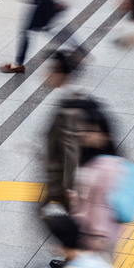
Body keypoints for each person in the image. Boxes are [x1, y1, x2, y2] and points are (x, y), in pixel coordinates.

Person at [46, 99, 118, 268]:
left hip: (96, 236)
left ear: (105, 134)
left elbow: (104, 204)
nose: (85, 134)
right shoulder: (90, 155)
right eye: (84, 129)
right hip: (85, 227)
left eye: (91, 130)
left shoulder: (109, 166)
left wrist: (97, 235)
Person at [41, 51, 89, 215]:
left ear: (62, 75)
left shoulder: (69, 105)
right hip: (58, 177)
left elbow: (71, 149)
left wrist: (71, 187)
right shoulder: (68, 98)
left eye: (51, 71)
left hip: (60, 179)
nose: (47, 75)